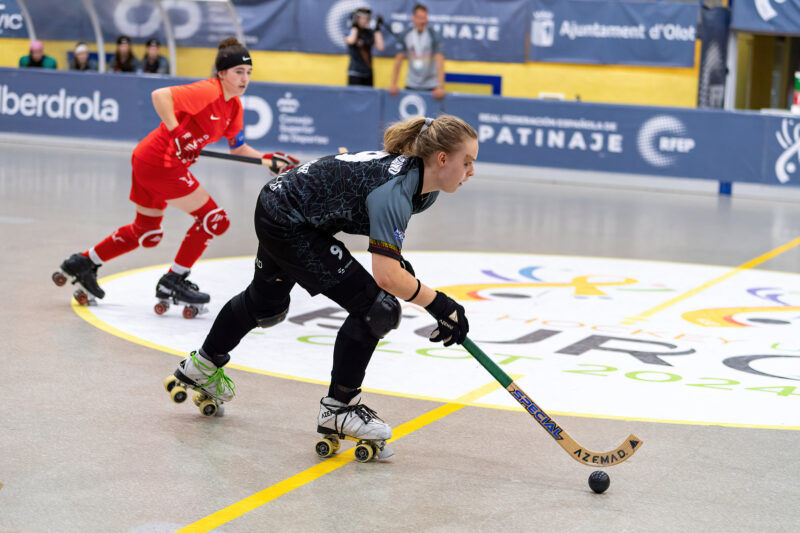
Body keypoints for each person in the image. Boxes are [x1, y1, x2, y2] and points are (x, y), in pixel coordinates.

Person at [167, 114, 478, 453]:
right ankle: (340, 409)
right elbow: (387, 276)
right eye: (467, 162)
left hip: (281, 204)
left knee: (267, 305)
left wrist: (405, 273)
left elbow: (382, 238)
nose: (471, 172)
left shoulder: (423, 189)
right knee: (378, 309)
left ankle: (201, 366)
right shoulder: (398, 189)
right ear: (442, 159)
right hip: (287, 218)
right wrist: (441, 305)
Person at [54, 38, 298, 314]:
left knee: (147, 232)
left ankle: (83, 262)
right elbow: (160, 96)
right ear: (222, 73)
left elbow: (238, 148)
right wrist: (178, 132)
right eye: (238, 72)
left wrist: (270, 161)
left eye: (249, 73)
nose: (245, 79)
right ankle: (174, 280)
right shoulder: (208, 91)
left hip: (151, 160)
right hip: (160, 161)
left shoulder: (234, 108)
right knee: (214, 219)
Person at [389, 3, 445, 100]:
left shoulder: (433, 35)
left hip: (431, 85)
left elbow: (440, 61)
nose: (422, 21)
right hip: (411, 83)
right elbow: (398, 59)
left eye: (425, 18)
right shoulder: (405, 34)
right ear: (413, 18)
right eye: (420, 18)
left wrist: (440, 86)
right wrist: (394, 84)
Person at [345, 7, 384, 87]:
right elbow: (351, 40)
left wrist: (377, 29)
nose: (364, 21)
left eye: (366, 18)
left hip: (368, 72)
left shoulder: (369, 33)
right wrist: (354, 25)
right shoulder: (351, 31)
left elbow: (380, 47)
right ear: (357, 19)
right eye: (362, 18)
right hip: (355, 72)